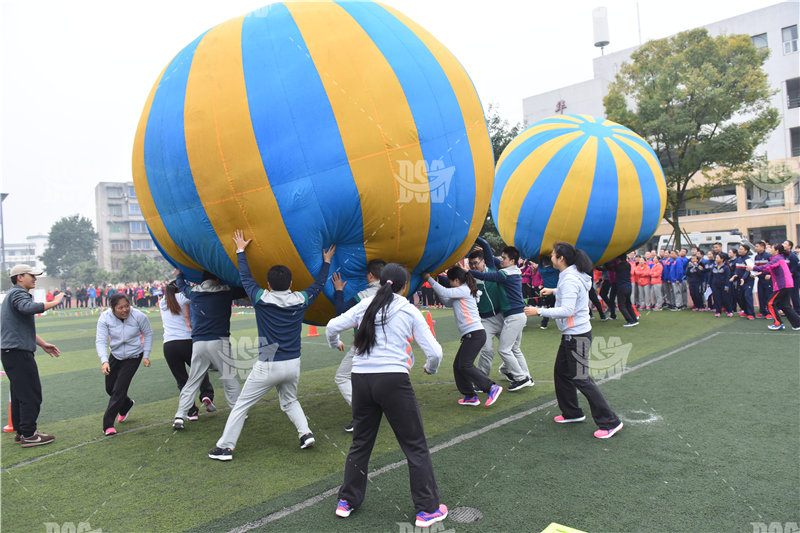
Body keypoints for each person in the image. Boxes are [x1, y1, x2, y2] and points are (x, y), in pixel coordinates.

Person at [325, 263, 447, 527]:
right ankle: (427, 509)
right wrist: (430, 368)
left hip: (361, 380)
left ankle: (346, 500)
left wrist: (335, 343)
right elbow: (435, 352)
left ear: (381, 282)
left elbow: (331, 327)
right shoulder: (408, 309)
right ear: (405, 286)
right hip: (393, 380)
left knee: (360, 443)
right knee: (415, 445)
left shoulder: (365, 305)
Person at [207, 231, 334, 459]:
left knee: (241, 406)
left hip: (268, 365)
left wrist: (240, 250)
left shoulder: (260, 298)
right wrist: (326, 262)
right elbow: (319, 284)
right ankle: (305, 434)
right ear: (291, 283)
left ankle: (225, 447)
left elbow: (245, 277)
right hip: (293, 364)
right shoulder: (302, 298)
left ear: (267, 284)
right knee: (289, 400)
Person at [523, 243, 623, 439]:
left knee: (581, 379)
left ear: (561, 258)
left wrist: (539, 311)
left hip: (576, 335)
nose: (551, 257)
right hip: (573, 334)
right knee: (561, 373)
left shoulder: (570, 278)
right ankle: (572, 413)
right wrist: (553, 291)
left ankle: (610, 421)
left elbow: (567, 310)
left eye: (553, 254)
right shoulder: (572, 274)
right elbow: (573, 296)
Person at [172, 269, 247, 430]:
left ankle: (180, 415)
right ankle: (237, 412)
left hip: (198, 343)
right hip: (220, 341)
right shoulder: (226, 291)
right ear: (218, 279)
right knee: (229, 378)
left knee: (193, 381)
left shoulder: (193, 292)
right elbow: (244, 286)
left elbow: (181, 285)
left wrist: (179, 274)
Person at [1, 265, 64, 447]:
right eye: (32, 276)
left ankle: (23, 432)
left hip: (11, 353)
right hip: (18, 353)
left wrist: (42, 343)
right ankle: (29, 435)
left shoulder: (11, 296)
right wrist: (55, 301)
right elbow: (28, 307)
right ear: (20, 277)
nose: (35, 279)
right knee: (31, 394)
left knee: (20, 394)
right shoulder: (18, 294)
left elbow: (17, 326)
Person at [425, 267, 502, 407]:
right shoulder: (461, 291)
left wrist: (429, 279)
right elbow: (447, 301)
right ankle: (470, 396)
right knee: (458, 366)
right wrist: (434, 282)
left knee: (465, 365)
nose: (449, 284)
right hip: (472, 335)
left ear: (457, 280)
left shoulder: (464, 289)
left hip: (475, 334)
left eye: (450, 281)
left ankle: (491, 387)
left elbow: (445, 291)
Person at [469, 241, 533, 391]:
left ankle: (521, 377)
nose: (501, 260)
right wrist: (485, 249)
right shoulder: (513, 270)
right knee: (513, 349)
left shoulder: (504, 274)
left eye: (504, 258)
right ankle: (524, 376)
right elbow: (493, 258)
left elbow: (487, 275)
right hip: (513, 316)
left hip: (511, 316)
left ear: (511, 261)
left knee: (505, 350)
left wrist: (467, 273)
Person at [331, 259, 386, 432]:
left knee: (342, 377)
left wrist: (339, 290)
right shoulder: (394, 294)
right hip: (388, 346)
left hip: (365, 344)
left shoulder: (365, 295)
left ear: (370, 275)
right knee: (370, 378)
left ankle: (363, 414)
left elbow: (341, 312)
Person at [95, 294, 153, 435]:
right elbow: (101, 341)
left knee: (119, 389)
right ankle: (126, 404)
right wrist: (104, 361)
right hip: (115, 354)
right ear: (112, 308)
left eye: (127, 306)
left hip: (134, 355)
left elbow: (148, 334)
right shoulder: (105, 318)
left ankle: (108, 425)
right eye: (120, 307)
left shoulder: (138, 316)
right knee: (110, 388)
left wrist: (146, 355)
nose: (125, 310)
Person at [159, 281, 214, 422]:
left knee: (182, 380)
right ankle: (206, 394)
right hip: (186, 341)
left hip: (168, 346)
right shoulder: (183, 298)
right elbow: (196, 294)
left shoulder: (162, 302)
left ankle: (191, 411)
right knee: (200, 370)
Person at [747, 243, 800, 331]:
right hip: (787, 284)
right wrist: (759, 272)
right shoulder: (778, 258)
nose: (769, 249)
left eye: (771, 248)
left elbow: (767, 267)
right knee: (785, 305)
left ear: (776, 251)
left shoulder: (777, 258)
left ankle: (778, 323)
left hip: (783, 285)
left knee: (770, 303)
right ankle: (797, 323)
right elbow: (769, 268)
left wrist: (753, 268)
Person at [730, 244, 755, 319]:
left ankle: (751, 313)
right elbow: (736, 270)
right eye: (739, 249)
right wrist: (734, 276)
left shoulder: (748, 259)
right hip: (739, 281)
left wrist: (743, 278)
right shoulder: (738, 259)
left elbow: (748, 271)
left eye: (741, 249)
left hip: (748, 281)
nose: (739, 250)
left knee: (747, 296)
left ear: (746, 251)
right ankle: (745, 311)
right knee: (740, 296)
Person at [753, 241, 774, 318]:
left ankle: (770, 312)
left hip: (767, 279)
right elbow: (756, 267)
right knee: (761, 295)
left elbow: (772, 266)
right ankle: (762, 311)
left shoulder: (768, 256)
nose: (756, 248)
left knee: (768, 295)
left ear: (762, 247)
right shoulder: (756, 257)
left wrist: (770, 274)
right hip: (760, 279)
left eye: (757, 246)